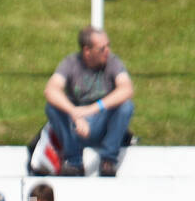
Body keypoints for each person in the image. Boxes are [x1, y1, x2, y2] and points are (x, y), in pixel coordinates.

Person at [44, 26, 135, 178]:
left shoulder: (112, 62)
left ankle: (108, 161)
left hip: (102, 121)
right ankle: (74, 162)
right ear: (87, 51)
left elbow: (127, 89)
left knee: (126, 106)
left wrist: (92, 108)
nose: (107, 51)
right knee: (52, 107)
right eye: (102, 48)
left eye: (108, 46)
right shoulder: (71, 63)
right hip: (76, 126)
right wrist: (74, 112)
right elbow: (51, 90)